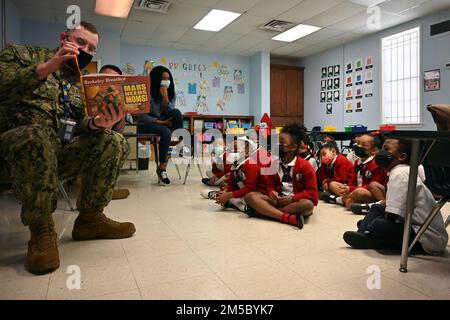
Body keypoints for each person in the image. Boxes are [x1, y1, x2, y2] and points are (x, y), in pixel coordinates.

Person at [0, 21, 136, 275]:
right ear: (64, 38)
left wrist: (98, 123)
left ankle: (90, 219)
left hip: (58, 152)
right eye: (80, 42)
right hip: (15, 151)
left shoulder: (80, 84)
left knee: (113, 140)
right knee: (36, 134)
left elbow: (79, 123)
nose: (85, 50)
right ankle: (41, 231)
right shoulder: (22, 55)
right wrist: (45, 69)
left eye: (91, 48)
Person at [343, 138, 448, 254]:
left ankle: (369, 232)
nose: (381, 152)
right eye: (382, 148)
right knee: (377, 209)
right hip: (413, 226)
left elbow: (392, 215)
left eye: (386, 149)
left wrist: (375, 221)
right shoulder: (401, 171)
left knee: (378, 225)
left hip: (426, 237)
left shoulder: (400, 173)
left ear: (402, 157)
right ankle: (364, 233)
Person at [244, 123, 318, 229]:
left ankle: (263, 212)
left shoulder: (306, 166)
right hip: (277, 200)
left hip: (294, 202)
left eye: (282, 143)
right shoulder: (273, 163)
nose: (277, 146)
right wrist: (271, 192)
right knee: (250, 196)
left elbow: (312, 193)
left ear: (293, 147)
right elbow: (269, 185)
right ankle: (288, 217)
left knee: (308, 205)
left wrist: (292, 198)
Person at [137, 66, 183, 186]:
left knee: (177, 112)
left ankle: (180, 141)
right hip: (146, 124)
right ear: (156, 79)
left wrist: (165, 97)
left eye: (168, 79)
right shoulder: (145, 92)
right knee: (166, 132)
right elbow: (141, 117)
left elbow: (171, 111)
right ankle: (162, 169)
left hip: (164, 123)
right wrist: (162, 123)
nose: (166, 81)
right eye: (163, 78)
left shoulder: (170, 93)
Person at [322, 134, 387, 211]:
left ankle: (339, 200)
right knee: (333, 184)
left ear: (374, 151)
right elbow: (353, 181)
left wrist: (350, 189)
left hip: (370, 193)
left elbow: (372, 186)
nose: (359, 146)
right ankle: (353, 202)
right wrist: (346, 188)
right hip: (355, 190)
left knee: (359, 192)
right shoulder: (357, 161)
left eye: (363, 145)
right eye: (358, 143)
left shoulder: (376, 163)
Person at [98, 64, 130, 200]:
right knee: (109, 142)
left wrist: (120, 115)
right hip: (84, 137)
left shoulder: (117, 104)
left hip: (105, 137)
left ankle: (107, 188)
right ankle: (100, 191)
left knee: (120, 143)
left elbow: (117, 134)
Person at [215, 138, 272, 212]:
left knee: (244, 199)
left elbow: (250, 188)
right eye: (230, 149)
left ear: (247, 151)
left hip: (259, 194)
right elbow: (231, 184)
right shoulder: (234, 164)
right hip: (244, 192)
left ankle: (245, 207)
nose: (232, 151)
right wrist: (226, 191)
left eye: (236, 148)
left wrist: (228, 195)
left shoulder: (250, 164)